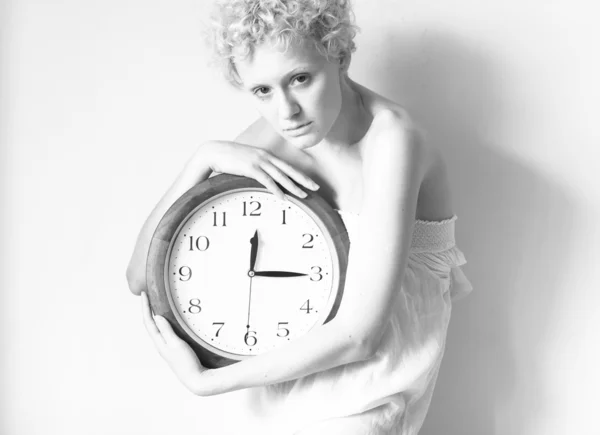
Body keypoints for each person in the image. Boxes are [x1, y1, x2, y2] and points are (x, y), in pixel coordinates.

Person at [126, 0, 474, 433]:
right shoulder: (277, 133)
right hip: (275, 386)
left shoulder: (393, 141)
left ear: (340, 56)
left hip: (366, 395)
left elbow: (361, 336)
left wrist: (206, 382)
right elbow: (141, 276)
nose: (286, 110)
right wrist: (202, 159)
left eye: (301, 79)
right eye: (262, 91)